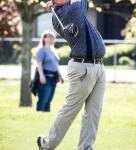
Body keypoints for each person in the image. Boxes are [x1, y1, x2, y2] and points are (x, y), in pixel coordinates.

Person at [37, 0, 106, 149]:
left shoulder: (66, 9)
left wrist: (55, 2)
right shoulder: (69, 11)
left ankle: (86, 148)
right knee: (71, 109)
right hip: (83, 68)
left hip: (98, 66)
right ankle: (47, 144)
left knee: (94, 112)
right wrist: (55, 2)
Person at [36, 30, 64, 112]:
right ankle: (38, 116)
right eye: (50, 36)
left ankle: (45, 116)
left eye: (53, 36)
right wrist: (41, 75)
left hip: (53, 78)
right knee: (43, 99)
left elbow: (55, 65)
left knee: (49, 100)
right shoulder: (41, 50)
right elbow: (39, 64)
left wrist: (60, 76)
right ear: (44, 39)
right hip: (46, 77)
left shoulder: (53, 51)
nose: (52, 38)